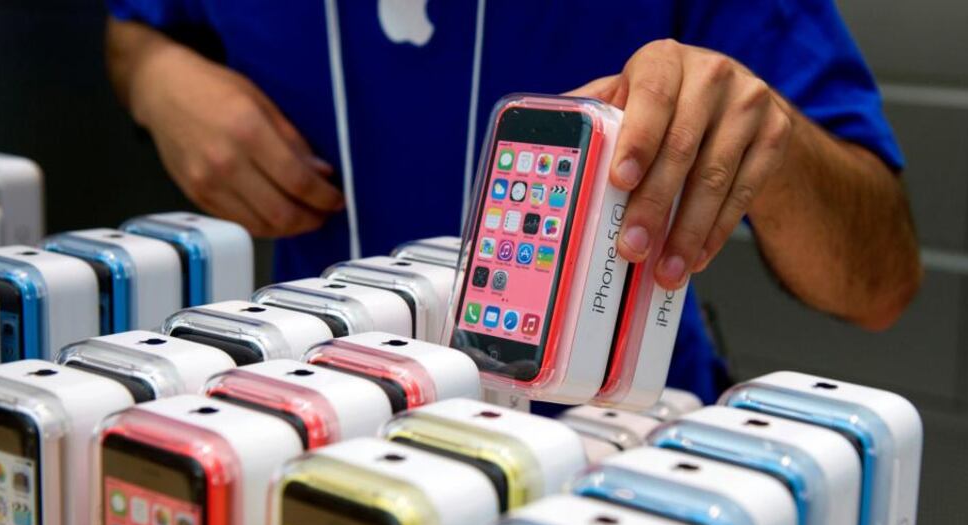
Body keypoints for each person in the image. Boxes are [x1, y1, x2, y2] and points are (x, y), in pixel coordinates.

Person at [104, 0, 921, 404]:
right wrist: (153, 75)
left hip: (613, 439)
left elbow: (878, 283)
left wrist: (767, 136)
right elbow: (132, 27)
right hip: (315, 414)